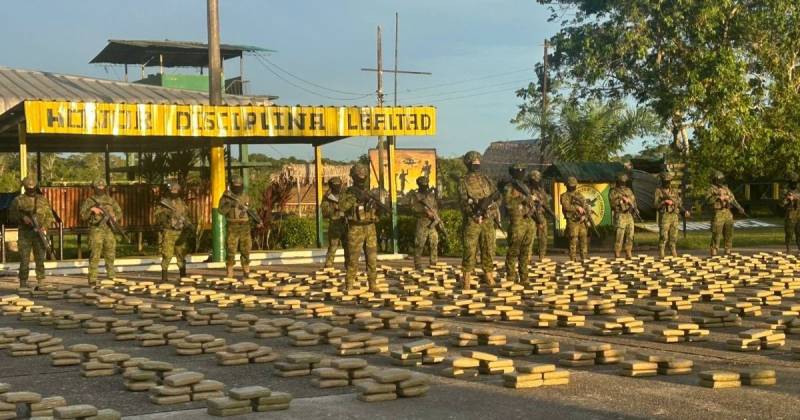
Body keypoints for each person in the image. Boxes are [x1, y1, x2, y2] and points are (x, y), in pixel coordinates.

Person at [458, 151, 499, 290]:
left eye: (478, 162)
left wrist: (490, 207)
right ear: (468, 163)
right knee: (470, 249)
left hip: (488, 219)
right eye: (473, 162)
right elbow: (463, 202)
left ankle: (489, 276)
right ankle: (467, 279)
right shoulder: (463, 181)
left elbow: (496, 195)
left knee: (489, 248)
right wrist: (475, 213)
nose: (476, 164)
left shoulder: (486, 178)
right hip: (473, 220)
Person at [339, 164, 385, 291]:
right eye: (359, 175)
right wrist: (354, 197)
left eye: (364, 176)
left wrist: (378, 210)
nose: (362, 178)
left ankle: (373, 284)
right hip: (355, 229)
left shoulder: (369, 193)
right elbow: (342, 207)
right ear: (353, 176)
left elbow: (377, 213)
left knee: (372, 259)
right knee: (352, 259)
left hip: (370, 228)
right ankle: (349, 284)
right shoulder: (347, 192)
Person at [9, 176, 54, 288]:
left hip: (39, 233)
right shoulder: (18, 200)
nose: (31, 188)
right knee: (24, 258)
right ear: (24, 186)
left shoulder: (42, 200)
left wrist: (44, 226)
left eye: (33, 186)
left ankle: (41, 280)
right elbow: (11, 216)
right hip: (25, 234)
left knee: (40, 258)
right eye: (28, 186)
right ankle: (23, 281)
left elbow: (50, 216)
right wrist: (22, 218)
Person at [79, 179, 122, 285]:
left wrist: (114, 217)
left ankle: (111, 276)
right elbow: (83, 216)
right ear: (94, 187)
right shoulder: (89, 201)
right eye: (98, 186)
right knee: (95, 254)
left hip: (109, 230)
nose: (101, 188)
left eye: (103, 186)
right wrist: (92, 210)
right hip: (96, 230)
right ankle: (92, 278)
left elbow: (119, 212)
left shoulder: (110, 200)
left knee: (110, 254)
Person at [219, 175, 261, 279]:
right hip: (232, 225)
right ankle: (230, 271)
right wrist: (230, 205)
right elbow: (221, 211)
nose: (237, 187)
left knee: (246, 248)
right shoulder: (226, 196)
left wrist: (258, 221)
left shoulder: (246, 196)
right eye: (235, 185)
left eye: (239, 185)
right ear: (232, 185)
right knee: (230, 249)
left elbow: (252, 210)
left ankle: (246, 271)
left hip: (245, 226)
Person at [503, 164, 536, 283]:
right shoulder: (509, 187)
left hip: (528, 221)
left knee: (525, 251)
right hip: (517, 221)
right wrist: (522, 198)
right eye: (518, 171)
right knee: (513, 250)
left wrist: (531, 206)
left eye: (523, 171)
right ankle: (511, 276)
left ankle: (524, 277)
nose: (521, 173)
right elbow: (507, 204)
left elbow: (531, 202)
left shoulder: (525, 187)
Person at [154, 181, 193, 282]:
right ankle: (164, 278)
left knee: (181, 254)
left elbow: (186, 216)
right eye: (172, 190)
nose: (174, 192)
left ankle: (183, 277)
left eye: (176, 190)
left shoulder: (182, 203)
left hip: (181, 232)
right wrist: (166, 215)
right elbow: (158, 217)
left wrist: (189, 225)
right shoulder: (164, 203)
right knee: (167, 255)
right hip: (169, 232)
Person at [706, 171, 745, 256]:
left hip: (727, 212)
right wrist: (718, 198)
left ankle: (728, 250)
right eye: (719, 179)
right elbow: (707, 200)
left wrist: (739, 207)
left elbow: (733, 199)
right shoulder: (711, 189)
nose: (721, 181)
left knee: (729, 232)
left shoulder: (725, 188)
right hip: (718, 213)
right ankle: (714, 250)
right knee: (716, 233)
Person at [407, 176, 440, 271]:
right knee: (419, 244)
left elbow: (435, 207)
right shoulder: (415, 195)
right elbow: (413, 208)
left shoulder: (431, 195)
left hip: (432, 222)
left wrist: (436, 217)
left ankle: (433, 263)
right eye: (423, 184)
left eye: (426, 183)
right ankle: (418, 265)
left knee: (434, 242)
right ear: (419, 184)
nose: (425, 186)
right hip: (422, 221)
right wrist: (424, 211)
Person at [654, 171, 689, 258]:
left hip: (674, 215)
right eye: (665, 181)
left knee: (674, 235)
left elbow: (679, 203)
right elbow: (655, 205)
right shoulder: (659, 191)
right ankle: (661, 252)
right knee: (664, 236)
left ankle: (673, 250)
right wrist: (664, 202)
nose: (667, 183)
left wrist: (684, 211)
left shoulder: (674, 191)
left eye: (668, 181)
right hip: (665, 215)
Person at [559, 176, 589, 261]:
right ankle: (573, 259)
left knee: (583, 239)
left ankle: (584, 258)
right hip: (572, 221)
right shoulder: (564, 196)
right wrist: (576, 208)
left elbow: (585, 206)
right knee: (573, 240)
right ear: (567, 185)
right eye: (571, 185)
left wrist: (584, 215)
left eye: (574, 185)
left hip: (581, 221)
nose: (573, 187)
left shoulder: (579, 195)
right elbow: (566, 207)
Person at [609, 173, 638, 258]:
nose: (623, 183)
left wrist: (634, 207)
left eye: (624, 182)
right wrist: (621, 200)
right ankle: (617, 252)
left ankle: (628, 251)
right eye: (621, 182)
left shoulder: (628, 190)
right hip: (620, 215)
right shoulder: (613, 191)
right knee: (619, 236)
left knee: (630, 235)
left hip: (629, 214)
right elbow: (612, 204)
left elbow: (634, 202)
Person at [321, 177, 346, 268]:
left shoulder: (345, 194)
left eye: (338, 185)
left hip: (346, 223)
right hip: (335, 224)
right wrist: (335, 209)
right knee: (333, 246)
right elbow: (325, 211)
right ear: (331, 186)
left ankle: (349, 266)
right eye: (335, 185)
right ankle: (328, 265)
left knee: (347, 246)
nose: (337, 187)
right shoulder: (327, 197)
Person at [527, 170, 552, 261]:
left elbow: (545, 203)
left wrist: (548, 212)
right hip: (531, 216)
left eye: (538, 179)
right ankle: (528, 256)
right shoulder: (527, 190)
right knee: (530, 237)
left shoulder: (541, 190)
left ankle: (542, 256)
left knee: (543, 237)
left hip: (541, 215)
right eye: (535, 179)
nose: (537, 181)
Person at [781, 172, 800, 253]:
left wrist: (795, 197)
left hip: (799, 214)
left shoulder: (799, 190)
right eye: (793, 182)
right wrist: (788, 199)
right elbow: (781, 203)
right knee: (789, 234)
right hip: (791, 215)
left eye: (796, 182)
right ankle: (788, 250)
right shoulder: (785, 191)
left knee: (799, 234)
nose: (795, 184)